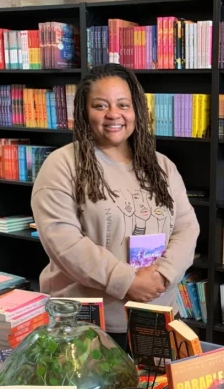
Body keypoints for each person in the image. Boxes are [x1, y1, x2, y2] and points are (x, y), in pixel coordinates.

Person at [32, 64, 199, 352]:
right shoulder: (62, 165)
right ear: (84, 112)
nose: (113, 114)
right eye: (100, 106)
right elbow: (64, 242)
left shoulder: (161, 165)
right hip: (89, 328)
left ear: (137, 111)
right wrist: (127, 281)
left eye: (123, 104)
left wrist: (163, 274)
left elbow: (186, 226)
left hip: (157, 317)